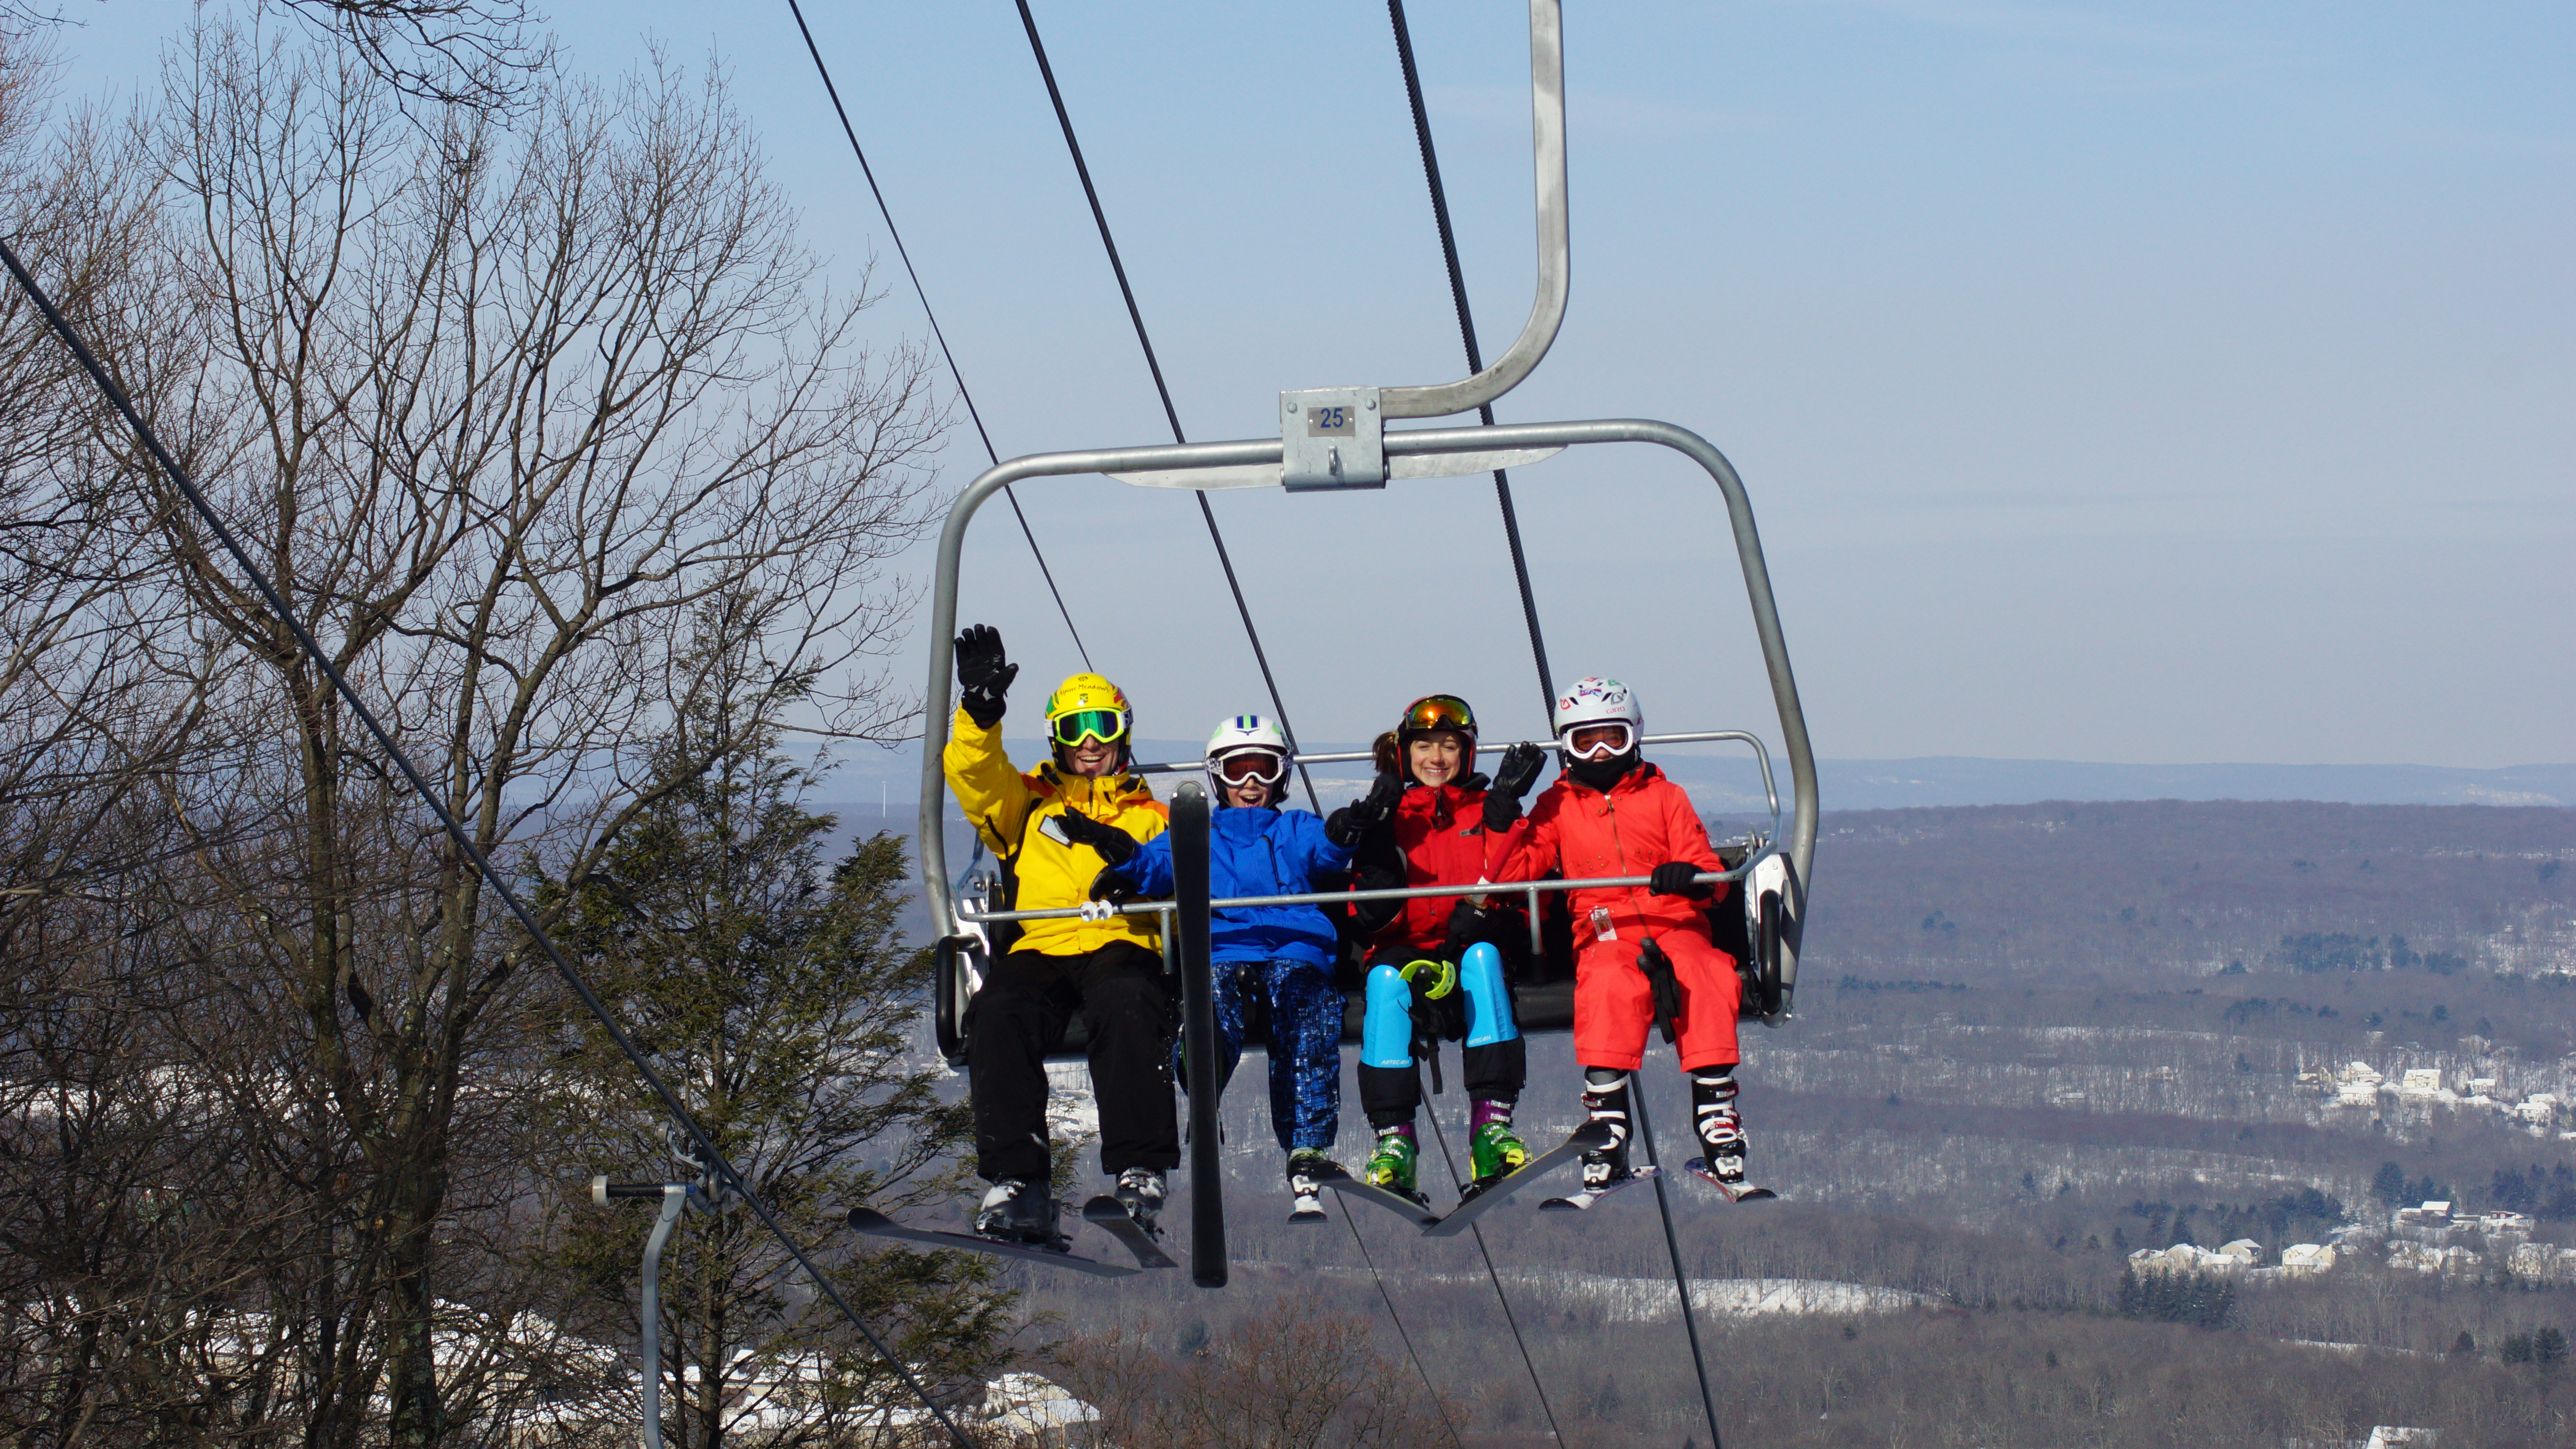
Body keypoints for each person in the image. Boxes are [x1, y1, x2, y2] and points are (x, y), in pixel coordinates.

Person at [942, 624, 1174, 1245]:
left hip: (1122, 939)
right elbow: (975, 778)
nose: (1090, 743)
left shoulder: (1153, 817)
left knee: (1127, 1003)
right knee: (997, 1014)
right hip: (1042, 944)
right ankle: (1018, 1182)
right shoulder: (1029, 806)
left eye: (1101, 727)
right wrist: (979, 712)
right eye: (1075, 730)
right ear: (1057, 739)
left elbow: (1177, 878)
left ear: (1122, 733)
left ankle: (1139, 1166)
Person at [1486, 676, 1754, 1197]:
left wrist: (1691, 879)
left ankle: (1716, 1115)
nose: (1601, 751)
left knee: (1708, 973)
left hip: (1675, 919)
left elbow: (1707, 870)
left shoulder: (1665, 796)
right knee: (1608, 984)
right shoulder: (1557, 805)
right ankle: (1608, 1127)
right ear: (1567, 746)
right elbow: (1512, 871)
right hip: (1604, 925)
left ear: (1635, 736)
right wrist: (1502, 813)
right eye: (1585, 741)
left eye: (1613, 737)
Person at [1083, 716, 1354, 1221]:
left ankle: (1307, 1145)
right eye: (1237, 771)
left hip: (1293, 945)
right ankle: (1202, 1060)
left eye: (1262, 770)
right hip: (1223, 947)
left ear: (1281, 776)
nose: (1250, 784)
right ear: (1217, 778)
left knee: (1306, 1010)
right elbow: (1157, 866)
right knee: (1213, 999)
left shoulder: (1296, 829)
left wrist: (1344, 834)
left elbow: (1328, 854)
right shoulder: (1197, 834)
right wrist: (1123, 854)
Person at [1329, 694, 1548, 1203]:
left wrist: (1503, 815)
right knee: (1384, 981)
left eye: (1450, 746)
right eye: (1425, 746)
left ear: (1467, 754)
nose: (1437, 758)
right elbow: (1368, 904)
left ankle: (1492, 1128)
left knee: (1484, 959)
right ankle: (1394, 1142)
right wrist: (1374, 831)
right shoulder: (1393, 812)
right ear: (1405, 754)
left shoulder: (1484, 810)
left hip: (1471, 940)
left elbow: (1515, 874)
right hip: (1406, 947)